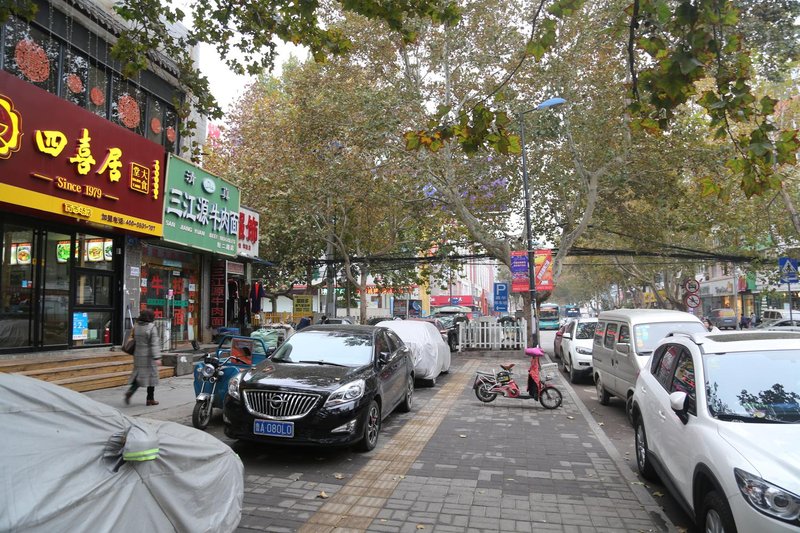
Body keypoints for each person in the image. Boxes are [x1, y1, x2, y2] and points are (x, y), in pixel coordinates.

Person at [124, 309, 162, 406]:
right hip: (149, 356)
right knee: (151, 377)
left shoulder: (136, 326)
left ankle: (131, 392)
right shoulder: (151, 327)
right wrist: (157, 357)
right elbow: (154, 344)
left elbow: (133, 339)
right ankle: (150, 399)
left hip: (138, 355)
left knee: (139, 375)